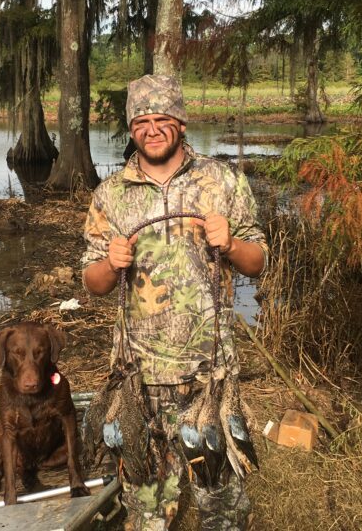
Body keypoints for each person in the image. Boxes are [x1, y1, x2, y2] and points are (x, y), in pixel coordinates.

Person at [81, 74, 268, 531]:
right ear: (131, 129)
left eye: (162, 118)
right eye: (141, 121)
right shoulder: (110, 195)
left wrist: (231, 244)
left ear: (180, 122)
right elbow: (92, 282)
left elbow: (258, 261)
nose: (152, 129)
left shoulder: (221, 181)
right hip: (137, 380)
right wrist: (111, 262)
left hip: (210, 378)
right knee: (146, 511)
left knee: (221, 507)